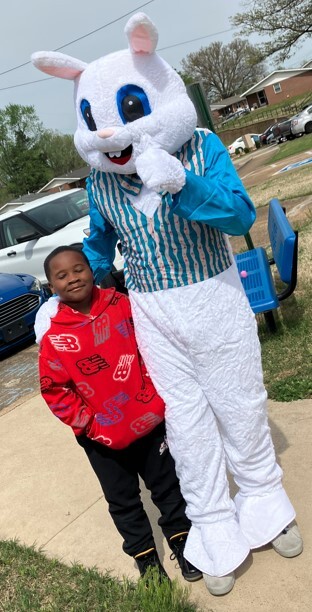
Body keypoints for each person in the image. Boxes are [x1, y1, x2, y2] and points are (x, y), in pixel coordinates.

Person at [32, 12, 303, 596]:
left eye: (124, 113)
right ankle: (212, 527)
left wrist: (183, 182)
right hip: (155, 314)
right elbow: (100, 249)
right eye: (94, 122)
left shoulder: (201, 148)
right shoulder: (101, 182)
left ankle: (264, 500)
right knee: (185, 424)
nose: (109, 134)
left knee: (240, 402)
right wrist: (68, 296)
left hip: (215, 296)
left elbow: (237, 216)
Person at [36, 245, 202, 583]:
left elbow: (153, 346)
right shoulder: (55, 337)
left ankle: (184, 543)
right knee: (123, 500)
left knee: (167, 486)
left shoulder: (123, 304)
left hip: (149, 422)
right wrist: (90, 425)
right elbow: (55, 390)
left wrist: (157, 398)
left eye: (78, 268)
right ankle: (146, 560)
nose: (73, 278)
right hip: (101, 438)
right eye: (62, 276)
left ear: (91, 268)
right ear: (51, 287)